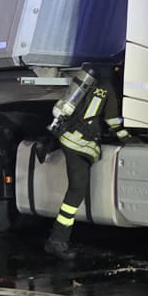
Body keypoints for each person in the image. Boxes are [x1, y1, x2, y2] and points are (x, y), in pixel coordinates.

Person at [42, 64, 126, 261]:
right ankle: (56, 241)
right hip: (79, 143)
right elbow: (112, 120)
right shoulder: (109, 88)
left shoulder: (90, 83)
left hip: (69, 137)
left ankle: (57, 239)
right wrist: (127, 137)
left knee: (76, 189)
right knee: (76, 190)